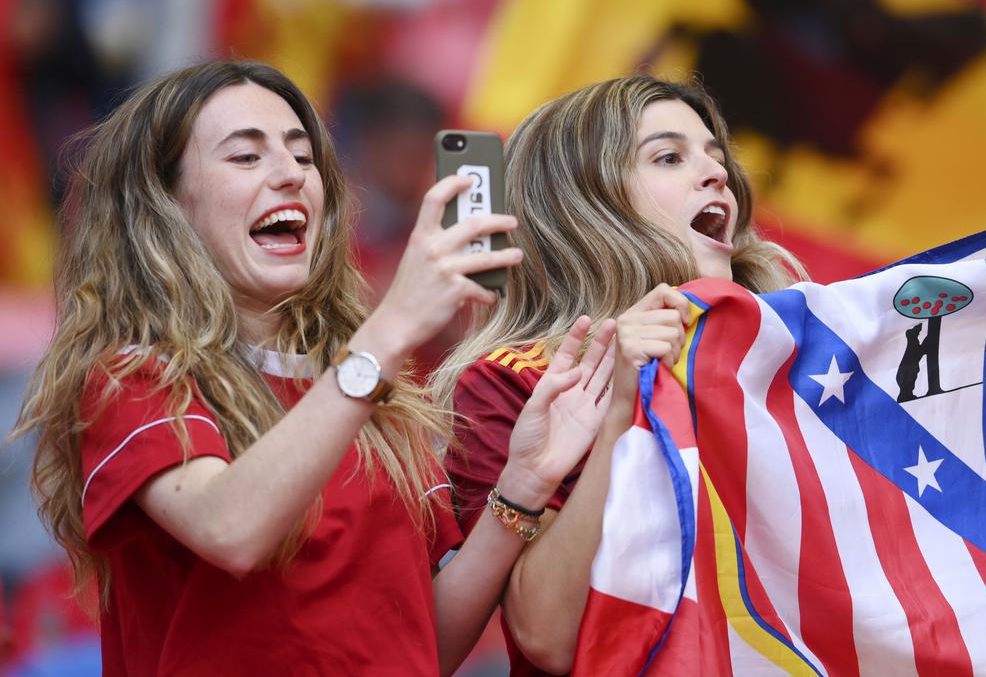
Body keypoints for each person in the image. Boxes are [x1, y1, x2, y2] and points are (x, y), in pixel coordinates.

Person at [13, 60, 615, 676]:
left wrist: (522, 487)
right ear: (165, 203)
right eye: (246, 158)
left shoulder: (374, 392)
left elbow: (420, 643)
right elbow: (229, 527)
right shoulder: (134, 375)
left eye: (303, 157)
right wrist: (391, 330)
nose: (290, 176)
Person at [431, 73, 806, 675]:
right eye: (668, 157)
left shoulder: (796, 348)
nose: (718, 175)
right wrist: (621, 413)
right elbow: (547, 638)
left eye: (716, 157)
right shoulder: (517, 382)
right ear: (584, 206)